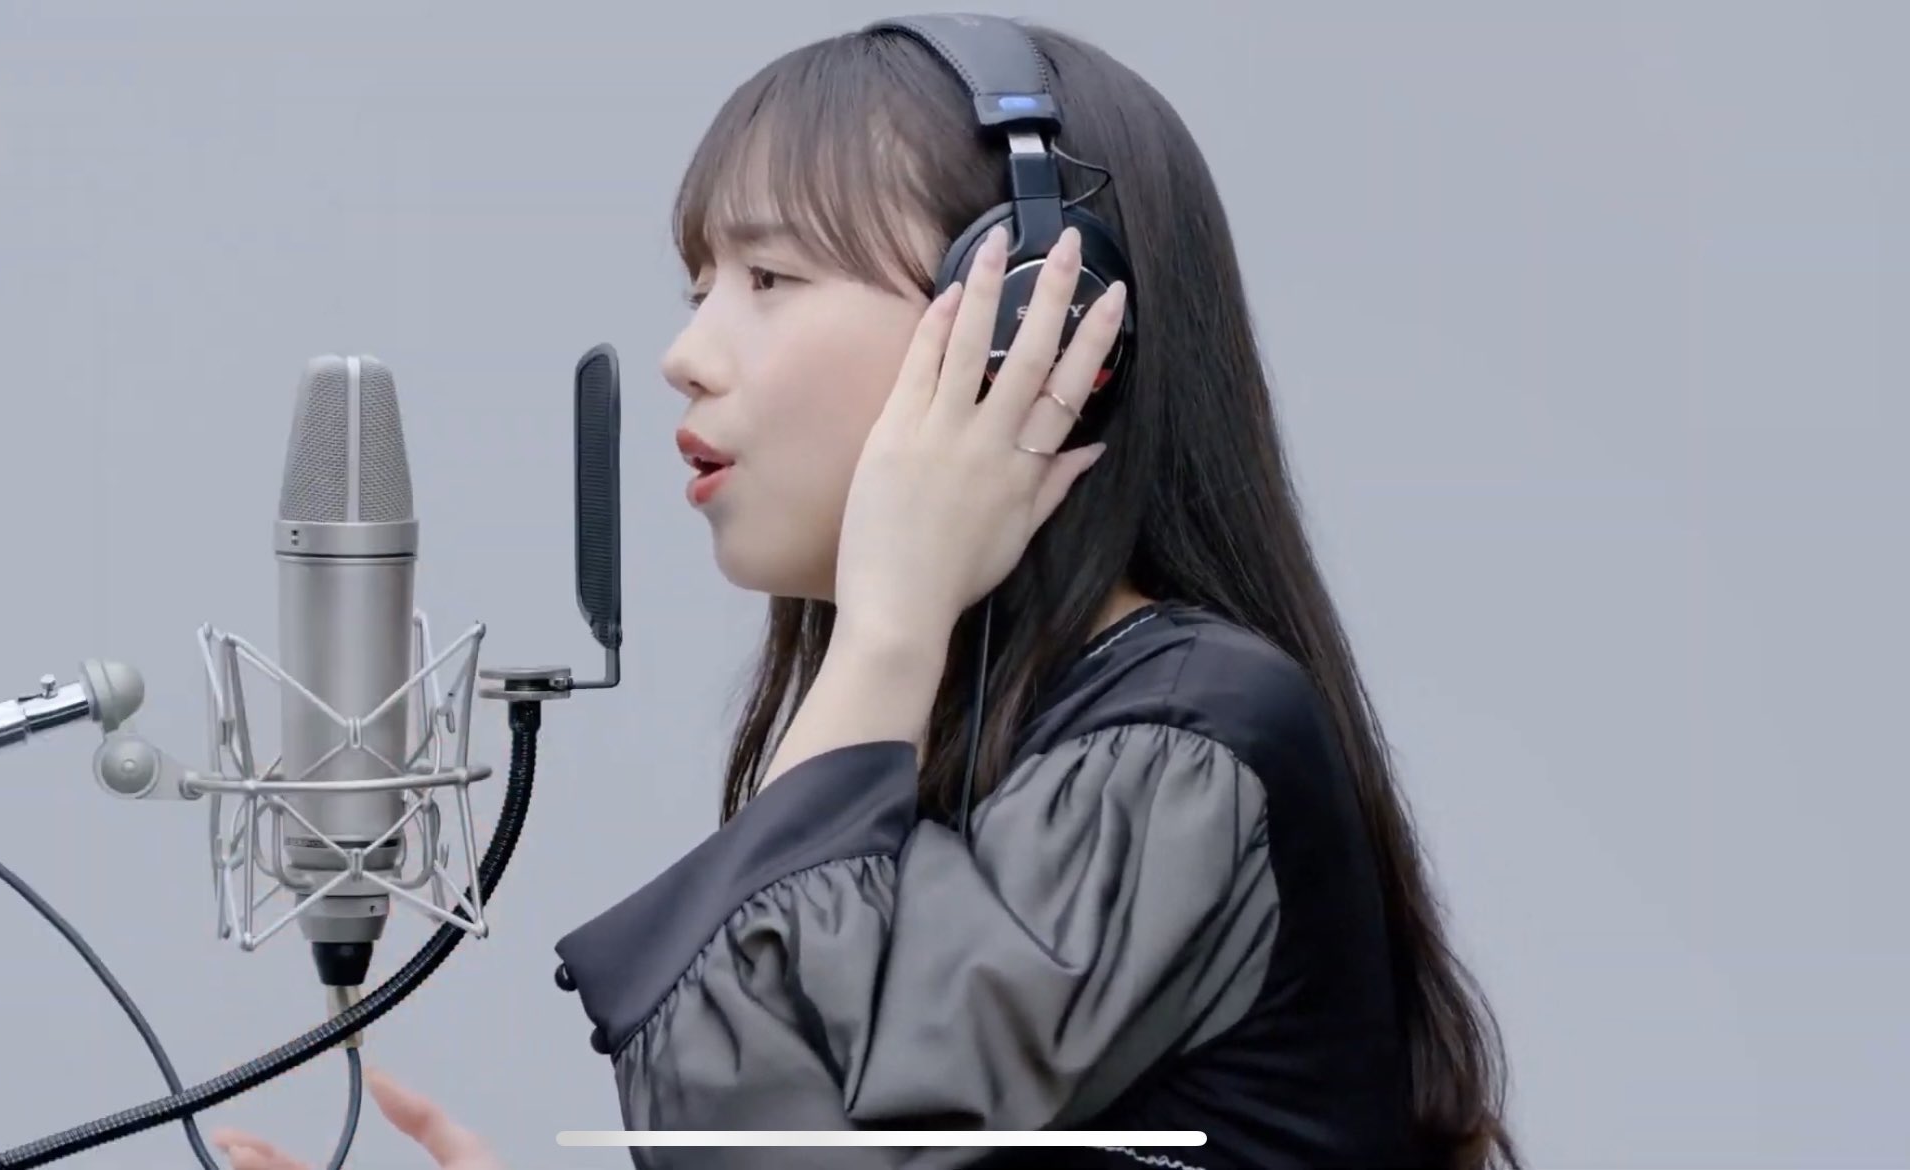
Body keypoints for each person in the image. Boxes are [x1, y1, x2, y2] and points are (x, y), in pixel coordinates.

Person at [213, 14, 1519, 1170]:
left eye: (770, 279)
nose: (686, 354)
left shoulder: (1187, 739)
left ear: (1031, 320)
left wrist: (889, 624)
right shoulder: (999, 732)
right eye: (700, 287)